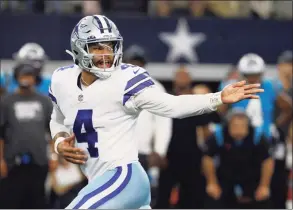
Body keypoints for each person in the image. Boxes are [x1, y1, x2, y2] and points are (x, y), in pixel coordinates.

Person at [49, 15, 264, 209]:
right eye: (97, 48)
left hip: (124, 177)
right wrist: (59, 143)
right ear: (79, 48)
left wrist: (217, 98)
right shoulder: (62, 79)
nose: (106, 54)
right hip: (100, 182)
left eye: (110, 46)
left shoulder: (126, 79)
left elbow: (173, 106)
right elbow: (57, 118)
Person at [0, 64, 53, 208]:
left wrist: (54, 157)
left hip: (39, 161)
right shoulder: (6, 102)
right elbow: (1, 134)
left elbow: (52, 131)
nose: (26, 79)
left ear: (35, 78)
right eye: (23, 75)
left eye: (30, 76)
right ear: (17, 77)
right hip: (12, 163)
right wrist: (1, 161)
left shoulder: (44, 101)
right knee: (10, 201)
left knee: (37, 202)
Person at [202, 109, 274, 209]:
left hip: (252, 178)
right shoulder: (219, 134)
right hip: (226, 178)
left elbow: (267, 161)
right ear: (228, 125)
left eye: (242, 126)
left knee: (264, 198)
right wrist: (212, 182)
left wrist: (264, 185)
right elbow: (207, 158)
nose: (239, 130)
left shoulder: (258, 135)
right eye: (235, 126)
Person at [218, 53, 292, 139]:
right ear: (241, 74)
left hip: (265, 138)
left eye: (256, 75)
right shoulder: (233, 87)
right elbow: (220, 111)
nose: (252, 79)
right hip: (239, 139)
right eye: (248, 75)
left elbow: (288, 108)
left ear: (261, 73)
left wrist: (274, 125)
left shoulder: (271, 86)